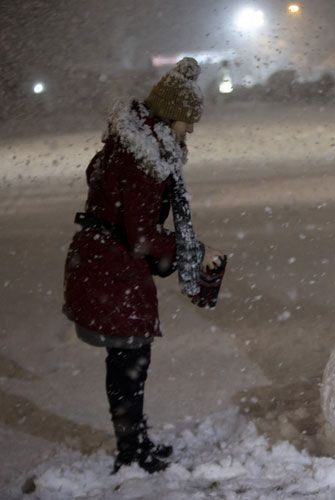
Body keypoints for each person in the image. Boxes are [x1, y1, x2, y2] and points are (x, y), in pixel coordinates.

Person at [62, 58, 225, 473]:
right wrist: (191, 249)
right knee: (129, 363)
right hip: (113, 271)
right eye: (188, 122)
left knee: (127, 362)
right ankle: (131, 453)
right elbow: (141, 236)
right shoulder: (143, 162)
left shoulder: (132, 144)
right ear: (169, 116)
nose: (191, 130)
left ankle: (134, 444)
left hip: (103, 262)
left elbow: (108, 195)